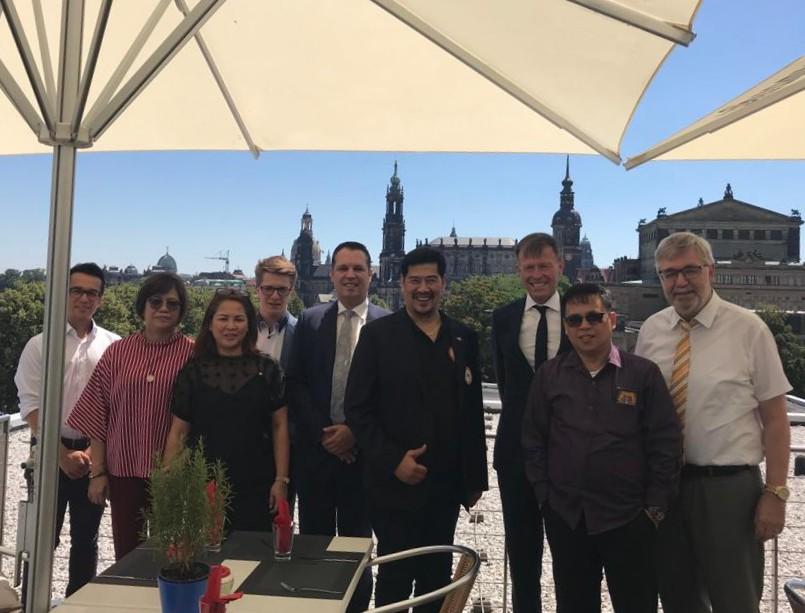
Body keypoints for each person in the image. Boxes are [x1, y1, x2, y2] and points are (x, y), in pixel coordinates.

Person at [635, 232, 791, 613]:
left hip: (729, 491)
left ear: (711, 271)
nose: (680, 282)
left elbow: (775, 419)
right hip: (666, 489)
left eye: (690, 270)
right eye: (669, 274)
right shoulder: (651, 331)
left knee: (735, 601)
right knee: (678, 599)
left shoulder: (749, 329)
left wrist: (776, 493)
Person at [523, 283, 681, 613]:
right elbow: (534, 439)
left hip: (629, 519)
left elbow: (665, 443)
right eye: (575, 320)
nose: (584, 326)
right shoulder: (550, 376)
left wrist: (654, 509)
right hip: (568, 518)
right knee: (574, 605)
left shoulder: (643, 374)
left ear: (611, 319)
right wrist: (544, 498)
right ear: (566, 327)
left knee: (636, 605)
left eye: (593, 317)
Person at [346, 246, 488, 613]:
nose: (423, 289)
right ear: (402, 284)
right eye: (415, 281)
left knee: (436, 575)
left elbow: (471, 412)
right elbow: (357, 410)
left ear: (444, 283)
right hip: (393, 484)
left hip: (445, 483)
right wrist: (394, 461)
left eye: (431, 280)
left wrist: (474, 478)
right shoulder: (377, 336)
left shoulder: (463, 337)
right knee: (394, 575)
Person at [286, 241, 390, 613]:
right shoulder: (310, 320)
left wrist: (354, 433)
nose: (350, 275)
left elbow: (391, 393)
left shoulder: (388, 324)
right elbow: (296, 384)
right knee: (312, 546)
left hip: (362, 459)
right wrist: (327, 434)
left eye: (358, 268)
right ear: (330, 273)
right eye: (342, 268)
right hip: (316, 455)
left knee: (357, 548)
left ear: (371, 274)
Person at [68, 272, 194, 560]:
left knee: (172, 556)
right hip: (123, 469)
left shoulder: (193, 354)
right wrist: (98, 473)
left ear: (181, 311)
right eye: (156, 301)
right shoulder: (118, 352)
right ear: (143, 306)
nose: (163, 308)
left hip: (172, 473)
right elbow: (98, 415)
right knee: (126, 555)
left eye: (172, 304)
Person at [14, 263, 120, 596]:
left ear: (101, 299)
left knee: (87, 539)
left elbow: (116, 406)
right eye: (77, 290)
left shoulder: (113, 346)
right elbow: (31, 405)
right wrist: (59, 454)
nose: (84, 298)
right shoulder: (39, 345)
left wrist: (90, 453)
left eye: (92, 293)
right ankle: (34, 602)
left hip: (94, 454)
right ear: (64, 293)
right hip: (48, 453)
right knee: (42, 538)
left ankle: (78, 603)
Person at [490, 232, 571, 612]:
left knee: (572, 560)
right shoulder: (503, 317)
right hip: (516, 457)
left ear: (560, 266)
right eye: (529, 267)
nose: (537, 274)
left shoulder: (579, 313)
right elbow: (506, 385)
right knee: (522, 560)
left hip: (572, 459)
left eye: (544, 266)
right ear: (518, 269)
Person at [163, 289, 289, 530]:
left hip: (258, 482)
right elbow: (179, 431)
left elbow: (279, 426)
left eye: (239, 319)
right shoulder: (192, 371)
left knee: (255, 550)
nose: (231, 326)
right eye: (223, 318)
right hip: (203, 482)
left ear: (249, 325)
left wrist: (281, 479)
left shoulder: (268, 369)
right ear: (210, 324)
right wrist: (169, 479)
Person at [254, 255, 298, 514]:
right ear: (257, 289)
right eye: (268, 288)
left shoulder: (304, 333)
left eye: (282, 289)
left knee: (280, 520)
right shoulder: (236, 329)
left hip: (286, 447)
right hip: (240, 442)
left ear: (291, 291)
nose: (274, 296)